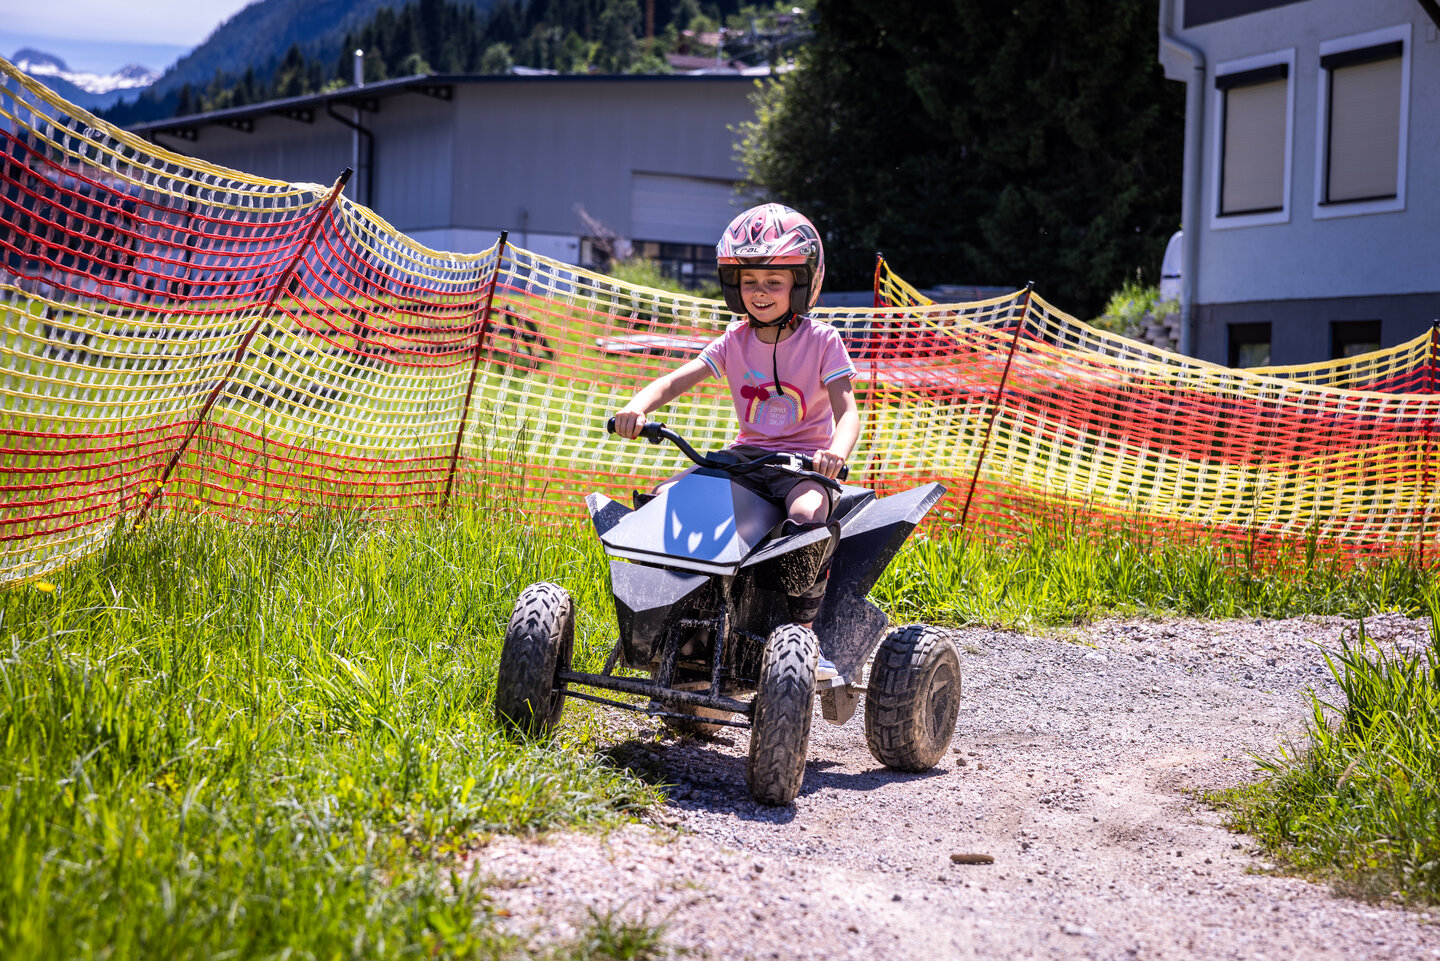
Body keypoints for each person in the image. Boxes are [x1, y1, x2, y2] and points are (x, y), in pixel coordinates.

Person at [611, 203, 858, 680]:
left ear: (802, 284)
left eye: (774, 282)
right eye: (749, 282)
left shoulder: (823, 340)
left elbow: (848, 413)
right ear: (733, 286)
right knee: (664, 498)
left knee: (808, 514)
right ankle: (672, 622)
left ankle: (804, 633)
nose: (760, 293)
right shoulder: (733, 340)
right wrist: (638, 407)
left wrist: (835, 454)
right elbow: (674, 381)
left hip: (805, 463)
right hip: (743, 457)